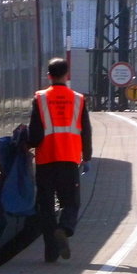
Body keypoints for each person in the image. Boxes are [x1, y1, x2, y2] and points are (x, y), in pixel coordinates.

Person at [28, 57, 92, 262]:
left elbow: (35, 133)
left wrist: (26, 144)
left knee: (45, 207)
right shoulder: (78, 99)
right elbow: (86, 132)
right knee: (71, 203)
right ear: (67, 75)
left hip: (45, 160)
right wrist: (87, 157)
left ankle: (51, 253)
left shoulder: (40, 98)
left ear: (48, 76)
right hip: (70, 159)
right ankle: (64, 228)